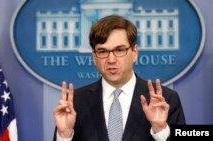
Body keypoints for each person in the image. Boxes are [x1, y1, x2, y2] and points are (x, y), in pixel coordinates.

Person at [53, 15, 186, 141]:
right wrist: (64, 135)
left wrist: (160, 130)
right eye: (103, 51)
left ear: (134, 52)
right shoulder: (76, 102)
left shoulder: (166, 100)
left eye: (120, 50)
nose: (111, 59)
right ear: (94, 57)